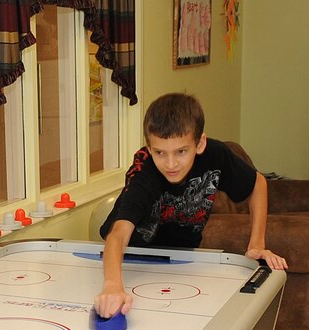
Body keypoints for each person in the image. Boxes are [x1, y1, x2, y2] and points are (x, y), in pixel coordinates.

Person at [94, 93, 288, 318]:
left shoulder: (216, 155)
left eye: (181, 151)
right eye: (159, 153)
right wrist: (112, 285)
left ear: (200, 143)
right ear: (149, 148)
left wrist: (256, 243)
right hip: (132, 258)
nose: (171, 164)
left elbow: (258, 184)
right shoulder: (144, 174)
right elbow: (118, 234)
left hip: (185, 258)